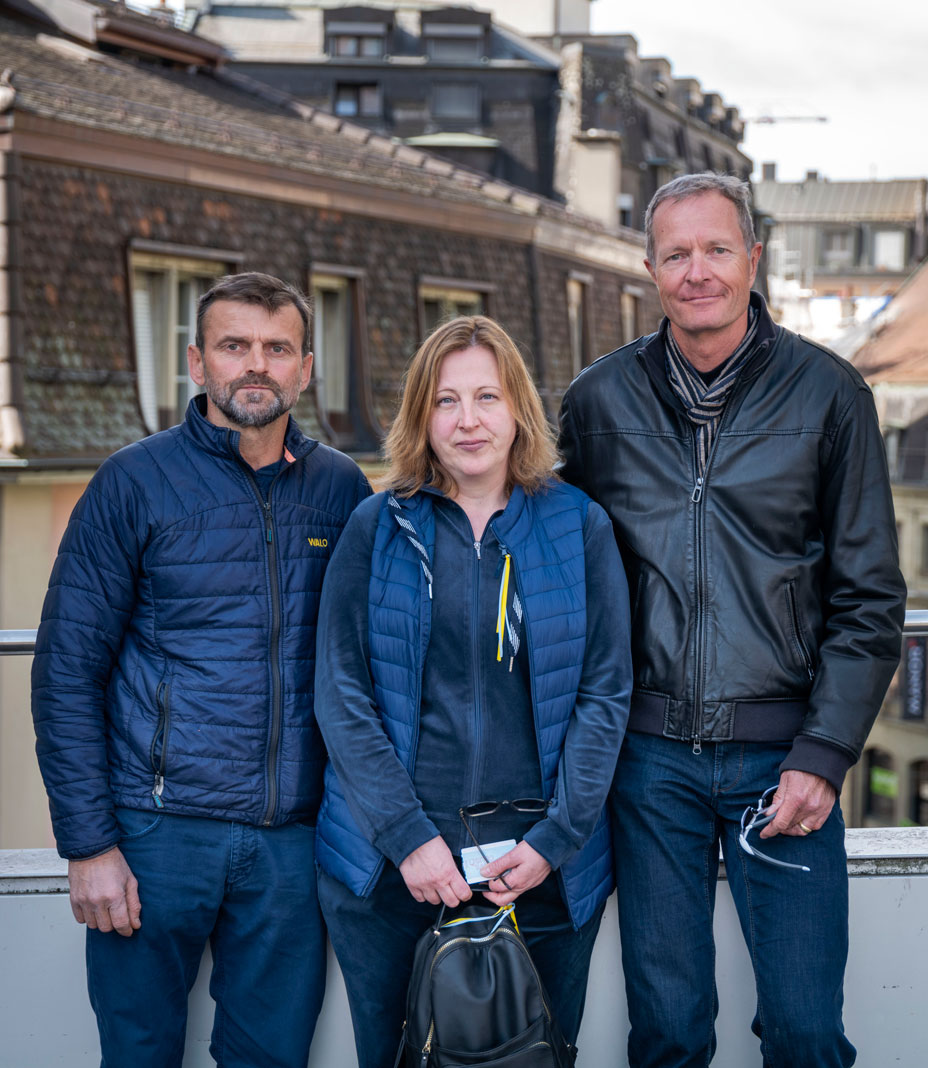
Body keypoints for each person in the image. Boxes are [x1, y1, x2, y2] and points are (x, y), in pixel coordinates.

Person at [559, 173, 907, 1067]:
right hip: (648, 763)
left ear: (753, 258)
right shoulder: (597, 402)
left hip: (783, 758)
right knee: (668, 1034)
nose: (698, 271)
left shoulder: (830, 395)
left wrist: (824, 755)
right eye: (677, 254)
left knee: (804, 1031)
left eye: (717, 249)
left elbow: (870, 596)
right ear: (650, 270)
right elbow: (552, 560)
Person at [31, 272, 372, 1067]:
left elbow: (367, 662)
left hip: (292, 846)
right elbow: (67, 671)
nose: (256, 365)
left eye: (277, 349)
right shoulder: (134, 482)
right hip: (156, 836)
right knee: (140, 1054)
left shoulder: (341, 490)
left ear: (305, 369)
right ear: (197, 361)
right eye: (234, 346)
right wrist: (89, 845)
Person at [313, 315, 632, 1068]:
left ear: (517, 407)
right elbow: (341, 693)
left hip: (538, 874)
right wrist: (408, 840)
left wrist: (553, 842)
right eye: (446, 400)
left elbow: (605, 693)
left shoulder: (579, 525)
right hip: (394, 873)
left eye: (487, 397)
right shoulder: (377, 526)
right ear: (421, 416)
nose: (468, 420)